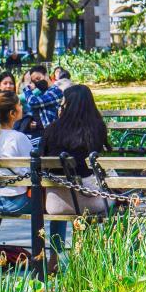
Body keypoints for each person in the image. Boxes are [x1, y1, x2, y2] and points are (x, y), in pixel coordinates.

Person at [40, 85, 111, 247]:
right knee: (117, 198)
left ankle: (54, 256)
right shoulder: (96, 129)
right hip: (89, 201)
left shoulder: (52, 129)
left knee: (61, 184)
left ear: (66, 104)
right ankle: (84, 249)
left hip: (55, 202)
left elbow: (42, 161)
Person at [0, 91, 34, 215]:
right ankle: (50, 235)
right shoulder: (18, 137)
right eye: (19, 105)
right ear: (12, 114)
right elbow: (33, 170)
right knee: (56, 203)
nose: (22, 108)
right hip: (18, 202)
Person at [23, 65, 65, 132]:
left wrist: (26, 86)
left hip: (53, 133)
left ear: (46, 75)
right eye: (34, 81)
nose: (37, 82)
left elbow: (33, 102)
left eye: (38, 78)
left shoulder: (56, 91)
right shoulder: (42, 93)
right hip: (44, 133)